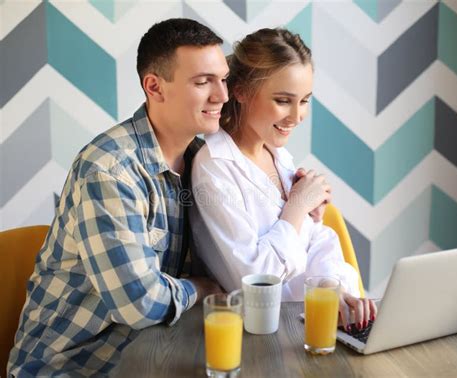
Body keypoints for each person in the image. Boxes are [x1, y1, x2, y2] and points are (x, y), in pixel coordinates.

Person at [8, 18, 228, 376]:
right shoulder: (109, 170)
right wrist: (199, 289)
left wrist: (295, 199)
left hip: (155, 359)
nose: (222, 95)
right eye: (203, 82)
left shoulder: (204, 161)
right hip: (76, 369)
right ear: (155, 87)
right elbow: (139, 304)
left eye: (223, 78)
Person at [190, 28, 377, 332]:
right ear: (241, 91)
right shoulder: (214, 169)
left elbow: (319, 241)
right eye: (283, 100)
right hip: (263, 333)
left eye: (304, 100)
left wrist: (333, 292)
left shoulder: (279, 157)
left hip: (310, 323)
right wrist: (297, 207)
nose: (297, 116)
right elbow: (256, 280)